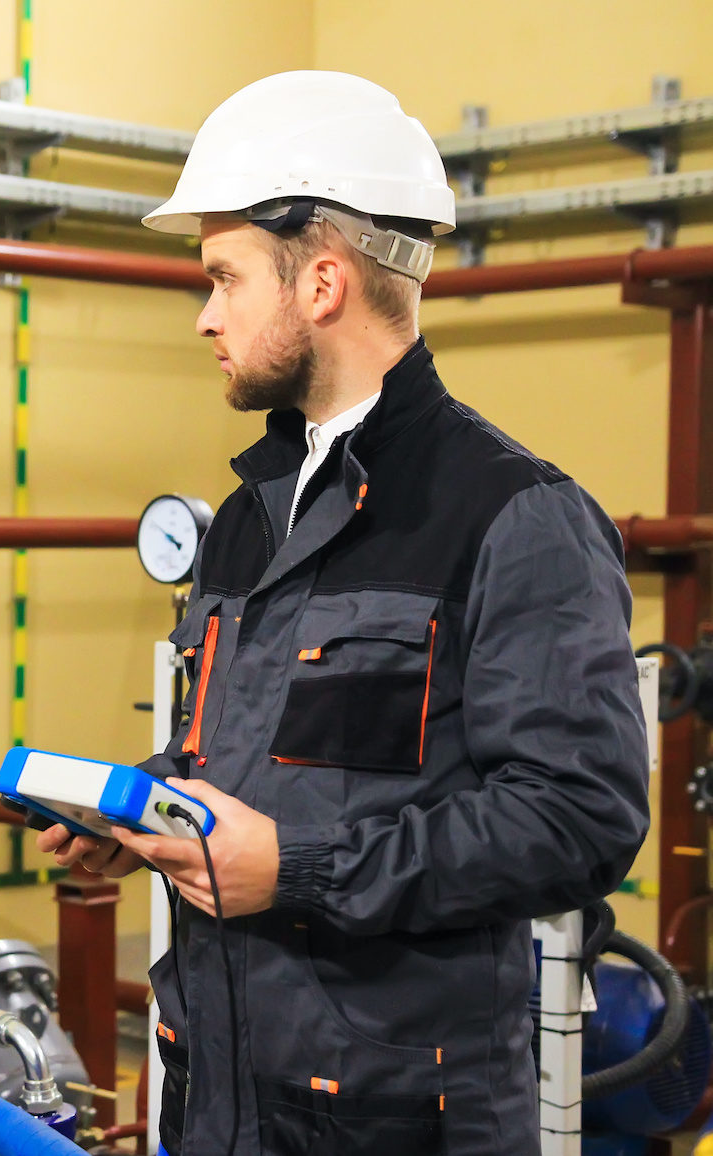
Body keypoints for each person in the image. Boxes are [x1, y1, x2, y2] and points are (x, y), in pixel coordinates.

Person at [37, 71, 650, 1156]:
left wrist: (304, 869)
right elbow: (256, 772)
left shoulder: (515, 515)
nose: (205, 316)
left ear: (321, 282)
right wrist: (150, 823)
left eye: (224, 279)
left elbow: (579, 816)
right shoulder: (244, 518)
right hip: (220, 1097)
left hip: (399, 1119)